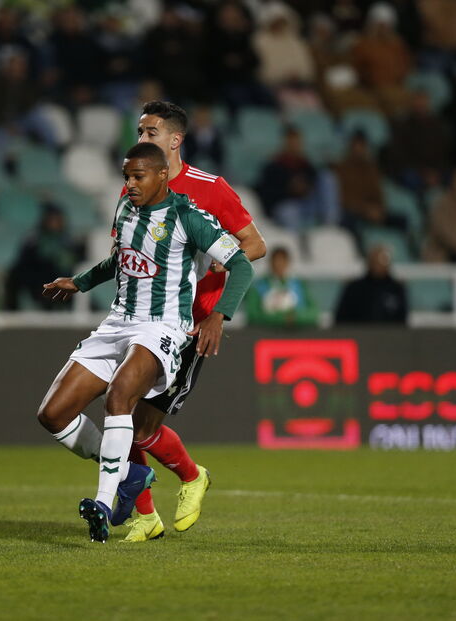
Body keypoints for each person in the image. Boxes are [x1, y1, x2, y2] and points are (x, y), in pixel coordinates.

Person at [38, 142, 255, 543]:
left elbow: (242, 264)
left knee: (118, 400)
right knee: (53, 414)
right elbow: (120, 259)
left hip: (163, 327)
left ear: (161, 175)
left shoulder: (190, 216)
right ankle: (132, 473)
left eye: (138, 176)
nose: (130, 184)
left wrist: (218, 316)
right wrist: (81, 282)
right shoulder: (124, 210)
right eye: (126, 176)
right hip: (117, 322)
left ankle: (104, 503)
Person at [120, 101, 266, 542]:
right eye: (141, 131)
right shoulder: (136, 182)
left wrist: (217, 275)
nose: (142, 139)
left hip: (190, 323)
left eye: (151, 132)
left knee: (141, 425)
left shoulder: (210, 188)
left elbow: (254, 246)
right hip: (140, 318)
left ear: (174, 140)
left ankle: (191, 475)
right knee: (120, 412)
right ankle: (145, 516)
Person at [256, 125, 341, 228]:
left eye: (298, 142)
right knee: (289, 212)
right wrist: (289, 188)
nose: (295, 145)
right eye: (292, 142)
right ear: (285, 143)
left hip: (307, 203)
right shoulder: (274, 165)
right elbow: (267, 194)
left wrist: (305, 187)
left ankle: (331, 227)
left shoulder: (306, 164)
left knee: (327, 176)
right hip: (286, 204)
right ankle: (295, 243)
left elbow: (314, 185)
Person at [4, 205, 81, 311]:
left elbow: (74, 264)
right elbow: (23, 265)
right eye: (51, 220)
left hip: (64, 281)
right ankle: (10, 310)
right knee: (14, 274)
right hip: (39, 282)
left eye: (57, 220)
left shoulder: (69, 242)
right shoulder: (33, 241)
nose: (54, 223)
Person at [245, 246, 318, 327]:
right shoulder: (258, 286)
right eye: (275, 261)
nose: (278, 265)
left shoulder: (300, 285)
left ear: (288, 262)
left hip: (297, 335)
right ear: (270, 263)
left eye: (282, 261)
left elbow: (314, 313)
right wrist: (281, 318)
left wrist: (296, 317)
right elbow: (252, 315)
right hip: (267, 335)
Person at [334, 245, 408, 324]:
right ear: (369, 262)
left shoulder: (396, 289)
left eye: (383, 260)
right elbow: (341, 319)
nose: (379, 264)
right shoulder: (354, 288)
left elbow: (402, 321)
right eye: (375, 260)